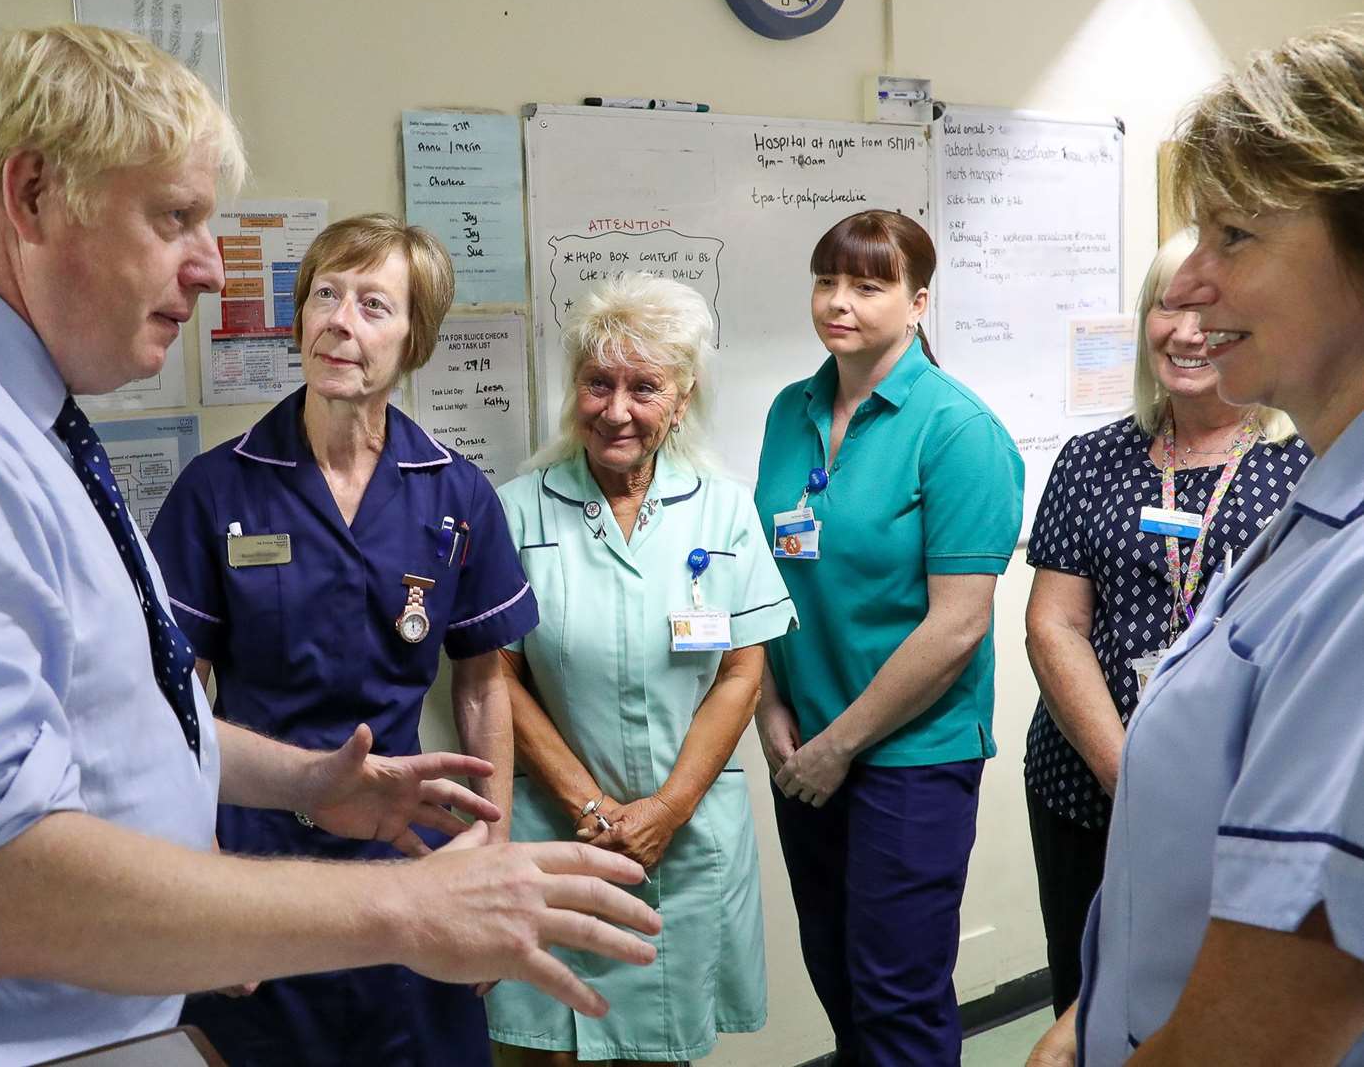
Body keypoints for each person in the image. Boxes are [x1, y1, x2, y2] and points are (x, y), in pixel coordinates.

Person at [0, 25, 659, 1067]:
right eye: (175, 218)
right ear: (31, 194)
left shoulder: (7, 415)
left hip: (100, 1013)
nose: (208, 269)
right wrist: (401, 908)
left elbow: (114, 707)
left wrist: (302, 784)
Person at [1027, 18, 1364, 1067]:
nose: (1191, 286)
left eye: (1235, 237)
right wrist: (1087, 1017)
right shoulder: (1313, 511)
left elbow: (1262, 1037)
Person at [147, 212, 534, 1066]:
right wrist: (200, 867)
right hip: (255, 858)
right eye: (325, 295)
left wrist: (490, 848)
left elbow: (481, 684)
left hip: (406, 851)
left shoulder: (457, 495)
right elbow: (169, 701)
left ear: (414, 339)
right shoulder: (220, 488)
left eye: (372, 305)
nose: (339, 322)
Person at [486, 274, 798, 1066]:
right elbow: (497, 677)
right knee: (544, 1044)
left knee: (663, 1048)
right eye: (598, 383)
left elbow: (741, 672)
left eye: (643, 387)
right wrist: (589, 805)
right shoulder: (518, 510)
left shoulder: (723, 510)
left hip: (685, 839)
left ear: (682, 399)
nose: (616, 409)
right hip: (554, 832)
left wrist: (667, 807)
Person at [753, 210, 1024, 1065]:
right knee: (835, 974)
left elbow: (958, 625)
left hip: (910, 757)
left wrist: (840, 744)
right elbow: (763, 577)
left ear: (917, 304)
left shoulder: (957, 431)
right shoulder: (790, 411)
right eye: (827, 281)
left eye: (868, 287)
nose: (840, 303)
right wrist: (770, 714)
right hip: (804, 747)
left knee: (896, 995)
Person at [1021, 231, 1309, 1014]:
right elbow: (1053, 627)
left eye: (1207, 307)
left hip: (1240, 804)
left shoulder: (1309, 461)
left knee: (1213, 1016)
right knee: (1086, 1002)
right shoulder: (1091, 459)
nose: (1185, 331)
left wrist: (1177, 793)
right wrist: (1132, 775)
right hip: (1084, 790)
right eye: (1166, 305)